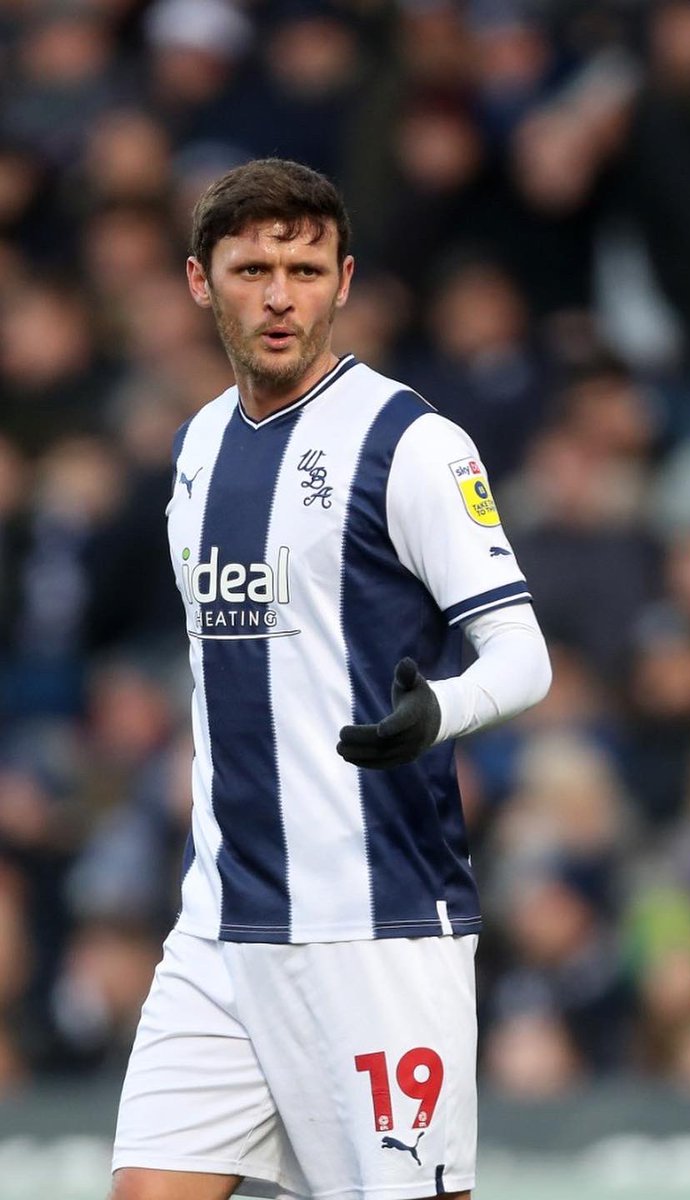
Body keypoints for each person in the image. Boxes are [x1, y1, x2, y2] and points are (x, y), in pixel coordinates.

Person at [110, 158, 552, 1200]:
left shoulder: (413, 445)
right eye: (252, 267)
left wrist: (435, 712)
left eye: (305, 269)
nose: (278, 295)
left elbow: (525, 656)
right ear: (197, 281)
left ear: (344, 281)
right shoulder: (197, 450)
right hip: (222, 926)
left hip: (379, 927)